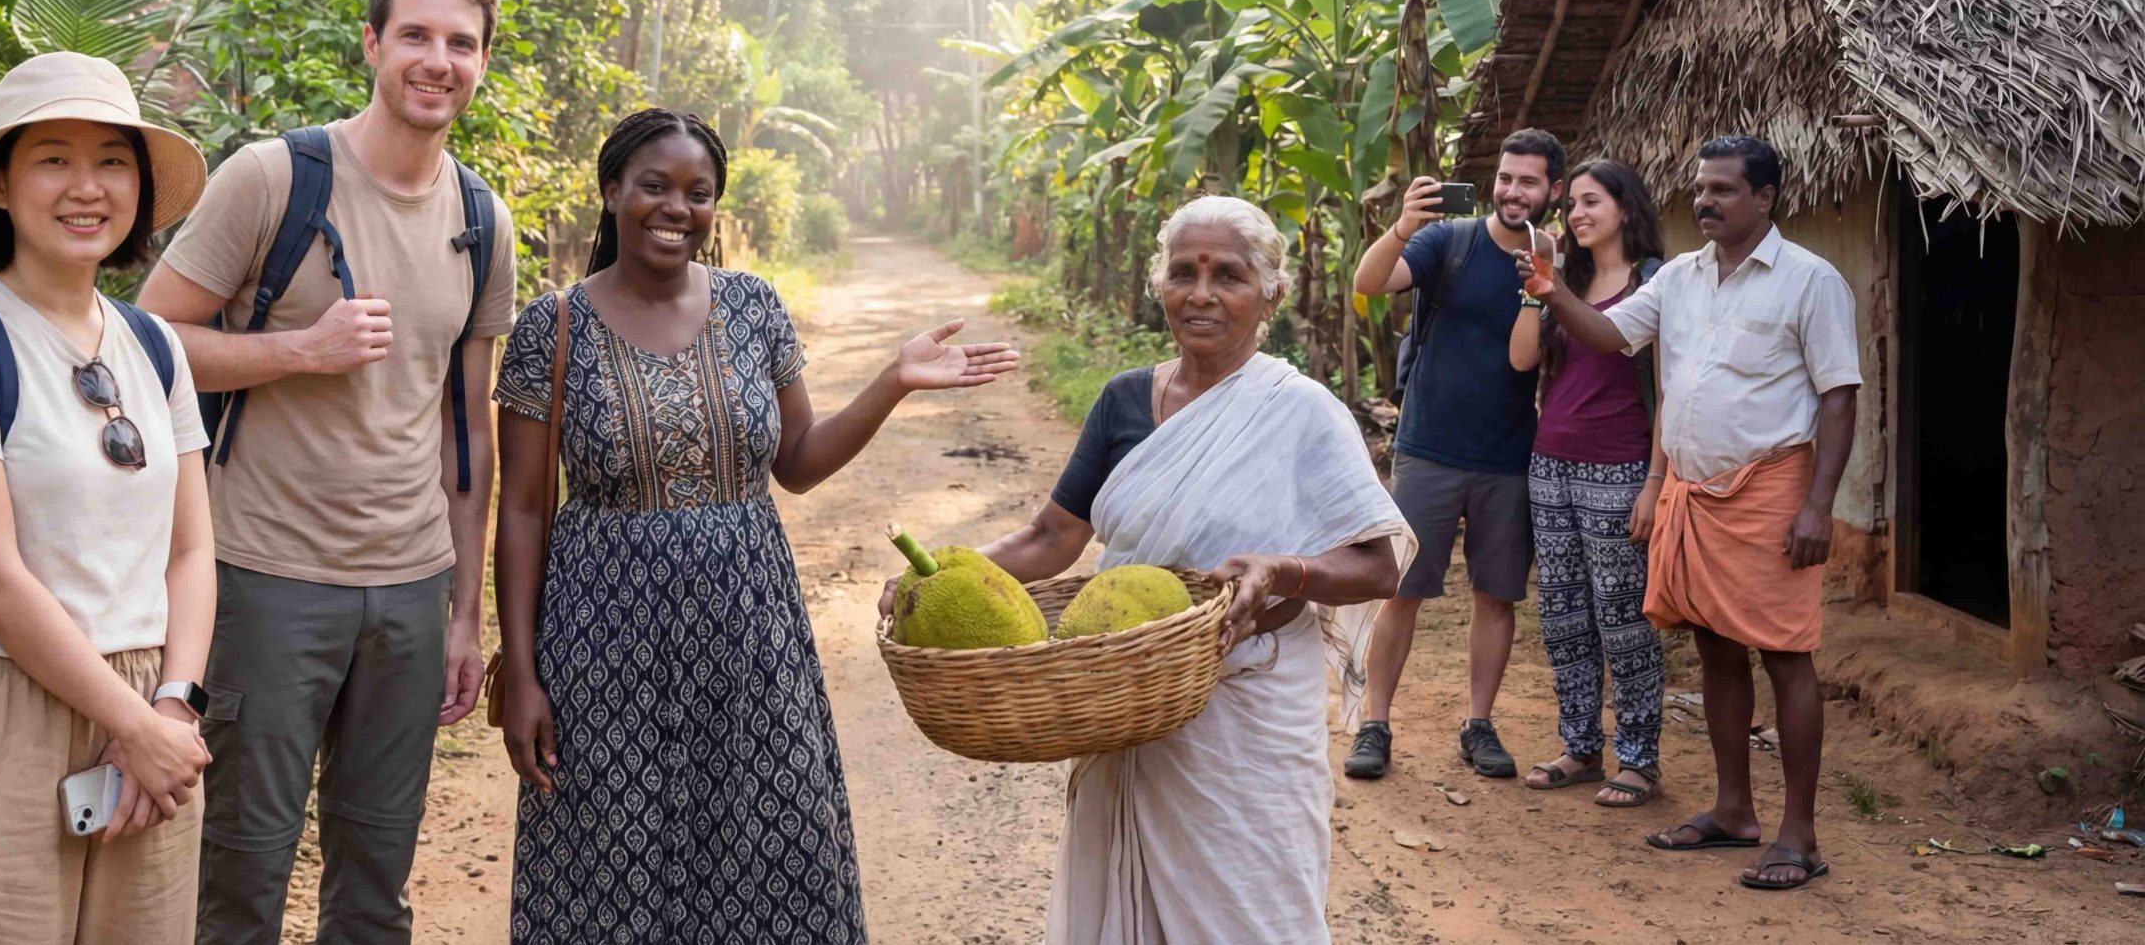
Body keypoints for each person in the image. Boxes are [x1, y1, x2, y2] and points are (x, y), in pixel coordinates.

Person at [492, 108, 1018, 943]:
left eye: (698, 193)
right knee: (606, 861)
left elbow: (800, 461)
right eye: (655, 186)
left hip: (750, 638)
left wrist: (892, 380)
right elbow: (521, 509)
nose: (677, 207)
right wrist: (520, 672)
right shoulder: (552, 330)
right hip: (598, 646)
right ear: (612, 191)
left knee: (777, 849)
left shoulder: (752, 307)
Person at [896, 196, 1408, 944]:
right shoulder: (1124, 400)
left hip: (1246, 720)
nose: (1201, 294)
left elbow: (1380, 563)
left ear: (1271, 293)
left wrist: (1283, 570)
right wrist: (933, 575)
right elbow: (1050, 535)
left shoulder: (1303, 412)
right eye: (1183, 273)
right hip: (1127, 711)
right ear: (1160, 285)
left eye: (1227, 274)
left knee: (1253, 916)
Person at [137, 0, 518, 943]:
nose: (439, 60)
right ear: (372, 45)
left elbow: (466, 432)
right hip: (264, 575)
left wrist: (463, 615)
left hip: (408, 588)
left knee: (375, 883)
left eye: (461, 44)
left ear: (482, 62)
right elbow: (146, 343)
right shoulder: (273, 179)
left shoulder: (484, 220)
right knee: (241, 874)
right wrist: (297, 348)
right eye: (418, 36)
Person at [0, 51, 215, 943]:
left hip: (154, 704)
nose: (87, 186)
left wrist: (172, 708)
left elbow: (190, 550)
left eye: (112, 159)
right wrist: (132, 724)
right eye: (53, 158)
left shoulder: (156, 346)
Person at [1518, 135, 1860, 892]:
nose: (1705, 200)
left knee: (1785, 654)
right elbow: (1609, 336)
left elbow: (1839, 396)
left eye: (1724, 190)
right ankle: (1733, 809)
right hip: (1691, 492)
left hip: (1772, 492)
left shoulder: (1811, 280)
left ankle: (1798, 833)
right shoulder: (1678, 278)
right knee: (1714, 648)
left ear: (1765, 198)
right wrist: (1551, 291)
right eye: (1701, 189)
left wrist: (1817, 505)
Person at [1347, 127, 1567, 781]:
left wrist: (1542, 278)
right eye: (1505, 177)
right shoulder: (1450, 240)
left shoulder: (1551, 260)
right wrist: (1402, 226)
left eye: (1529, 181)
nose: (1512, 191)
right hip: (1428, 449)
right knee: (1401, 589)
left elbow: (1531, 354)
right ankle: (1374, 723)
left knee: (1496, 594)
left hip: (1506, 455)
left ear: (1553, 190)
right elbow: (1370, 281)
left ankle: (1479, 723)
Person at [1507, 158, 1667, 807]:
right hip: (1551, 464)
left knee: (1623, 616)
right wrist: (1534, 287)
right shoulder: (1561, 279)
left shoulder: (1655, 282)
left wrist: (1655, 482)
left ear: (1625, 207)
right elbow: (1522, 359)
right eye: (1570, 203)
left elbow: (1671, 387)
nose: (1575, 213)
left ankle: (1638, 758)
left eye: (1590, 201)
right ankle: (1579, 745)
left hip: (1620, 466)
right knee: (1564, 615)